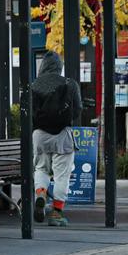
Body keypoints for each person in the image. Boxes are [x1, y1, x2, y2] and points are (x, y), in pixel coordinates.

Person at [31, 51, 81, 227]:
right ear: (59, 67)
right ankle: (57, 213)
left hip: (40, 135)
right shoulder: (69, 84)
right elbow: (77, 110)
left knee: (41, 169)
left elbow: (29, 113)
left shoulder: (35, 85)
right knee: (62, 176)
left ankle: (41, 193)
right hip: (62, 135)